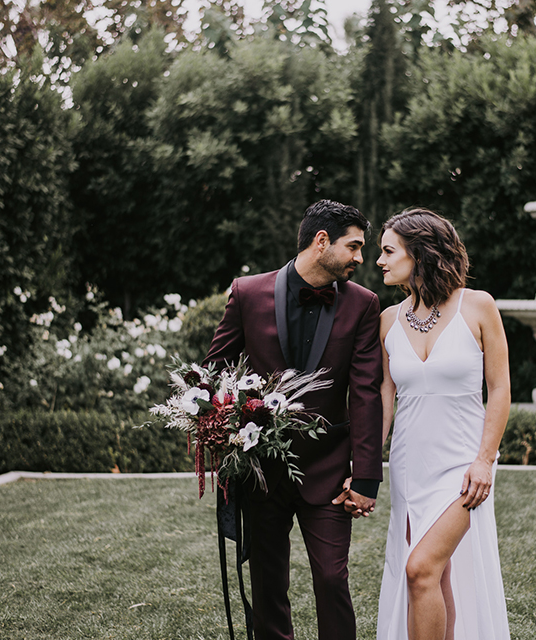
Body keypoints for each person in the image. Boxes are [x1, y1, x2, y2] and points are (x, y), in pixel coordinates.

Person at [204, 200, 384, 640]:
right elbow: (214, 374)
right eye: (355, 246)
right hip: (261, 472)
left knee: (331, 580)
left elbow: (364, 393)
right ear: (322, 241)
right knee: (268, 586)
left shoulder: (363, 304)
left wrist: (366, 478)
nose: (362, 259)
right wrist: (223, 430)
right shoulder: (247, 293)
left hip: (329, 471)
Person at [374, 208, 511, 640]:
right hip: (410, 468)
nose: (379, 261)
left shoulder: (478, 305)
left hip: (463, 465)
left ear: (420, 253)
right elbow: (385, 396)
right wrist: (365, 463)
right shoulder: (387, 321)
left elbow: (501, 388)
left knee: (421, 569)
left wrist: (485, 461)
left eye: (388, 251)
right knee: (436, 577)